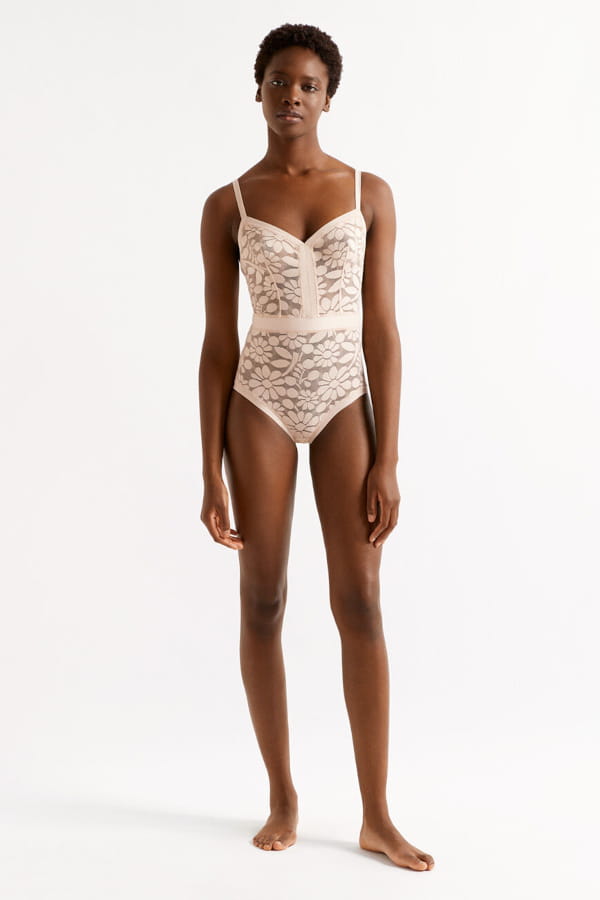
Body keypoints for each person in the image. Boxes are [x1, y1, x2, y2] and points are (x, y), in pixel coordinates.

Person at [198, 22, 434, 871]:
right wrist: (207, 469)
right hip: (257, 399)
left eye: (307, 84)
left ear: (329, 98)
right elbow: (217, 346)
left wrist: (388, 457)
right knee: (262, 600)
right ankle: (282, 795)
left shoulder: (369, 192)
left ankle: (376, 815)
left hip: (343, 402)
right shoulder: (227, 203)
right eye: (278, 80)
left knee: (360, 602)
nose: (291, 95)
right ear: (257, 90)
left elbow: (384, 333)